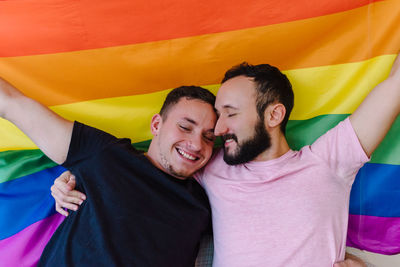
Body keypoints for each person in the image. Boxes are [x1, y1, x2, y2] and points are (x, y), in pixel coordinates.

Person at [52, 55, 400, 266]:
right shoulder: (209, 167)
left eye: (230, 113)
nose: (217, 128)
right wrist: (74, 178)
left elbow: (394, 86)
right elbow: (145, 171)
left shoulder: (327, 160)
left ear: (274, 114)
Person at [0, 82, 217, 266]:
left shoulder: (207, 203)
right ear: (157, 125)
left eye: (208, 137)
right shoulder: (106, 155)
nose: (197, 144)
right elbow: (12, 104)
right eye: (185, 127)